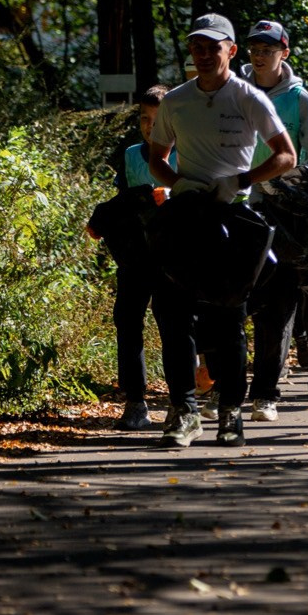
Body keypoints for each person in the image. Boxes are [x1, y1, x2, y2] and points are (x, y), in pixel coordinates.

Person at [148, 12, 296, 449]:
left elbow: (286, 155)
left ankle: (231, 412)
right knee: (173, 316)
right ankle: (184, 411)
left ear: (231, 51)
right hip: (185, 217)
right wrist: (179, 183)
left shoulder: (249, 97)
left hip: (232, 220)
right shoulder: (176, 100)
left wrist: (241, 180)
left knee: (228, 321)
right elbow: (157, 157)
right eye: (197, 46)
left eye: (213, 47)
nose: (204, 54)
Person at [239, 19, 308, 420]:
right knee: (232, 301)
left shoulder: (298, 99)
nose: (259, 56)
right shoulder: (233, 90)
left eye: (268, 50)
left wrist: (288, 182)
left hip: (284, 215)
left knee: (277, 305)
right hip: (237, 208)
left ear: (284, 53)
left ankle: (265, 393)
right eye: (254, 49)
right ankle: (224, 386)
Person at [108, 85, 174, 430]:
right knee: (127, 321)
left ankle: (181, 400)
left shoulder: (187, 152)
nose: (150, 126)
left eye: (158, 119)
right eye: (145, 119)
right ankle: (135, 402)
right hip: (136, 253)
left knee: (173, 325)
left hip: (174, 256)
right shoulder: (132, 154)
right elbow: (123, 199)